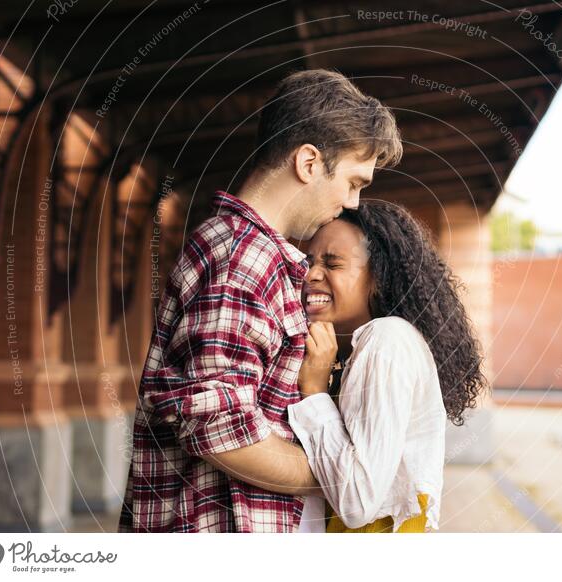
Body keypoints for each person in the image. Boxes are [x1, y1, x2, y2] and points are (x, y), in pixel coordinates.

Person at [118, 69, 402, 532]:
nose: (353, 203)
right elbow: (220, 434)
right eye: (353, 181)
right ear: (309, 163)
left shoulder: (256, 255)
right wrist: (343, 479)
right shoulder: (242, 259)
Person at [288, 200, 489, 532]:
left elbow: (357, 502)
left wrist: (313, 394)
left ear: (378, 277)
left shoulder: (386, 341)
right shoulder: (361, 348)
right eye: (309, 261)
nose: (311, 274)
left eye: (333, 263)